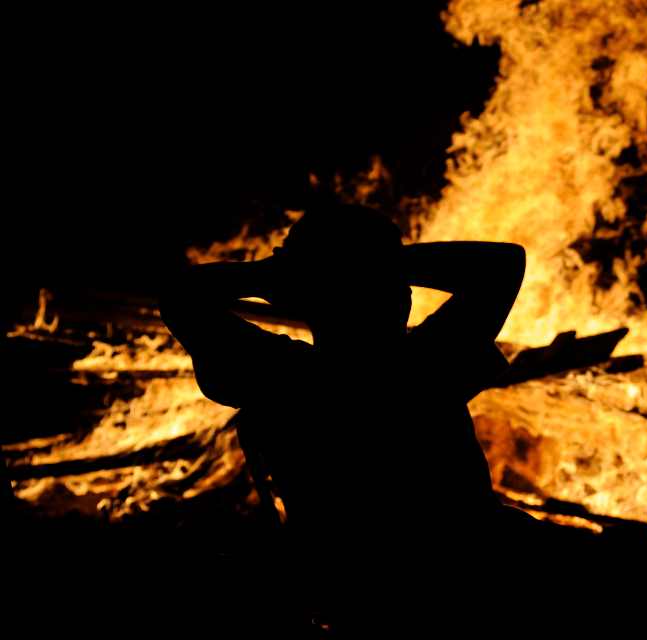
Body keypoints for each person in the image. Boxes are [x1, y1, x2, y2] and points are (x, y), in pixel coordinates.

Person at [158, 202, 540, 633]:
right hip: (478, 591)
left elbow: (178, 295)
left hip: (358, 599)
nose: (405, 293)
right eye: (390, 284)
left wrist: (285, 273)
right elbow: (503, 263)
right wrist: (380, 262)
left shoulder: (277, 376)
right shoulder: (426, 364)